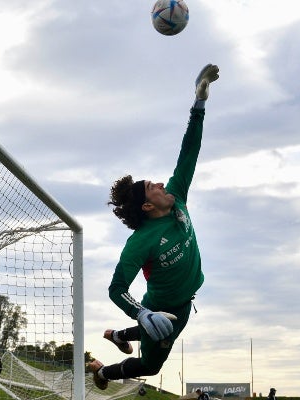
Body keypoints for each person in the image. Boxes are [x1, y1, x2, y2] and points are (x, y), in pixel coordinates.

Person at [87, 63, 220, 390]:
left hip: (186, 302)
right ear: (148, 206)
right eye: (153, 187)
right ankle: (102, 372)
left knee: (158, 345)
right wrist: (142, 314)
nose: (162, 184)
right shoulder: (140, 242)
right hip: (160, 310)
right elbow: (116, 289)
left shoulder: (177, 197)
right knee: (150, 365)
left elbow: (189, 151)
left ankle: (118, 335)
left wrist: (199, 103)